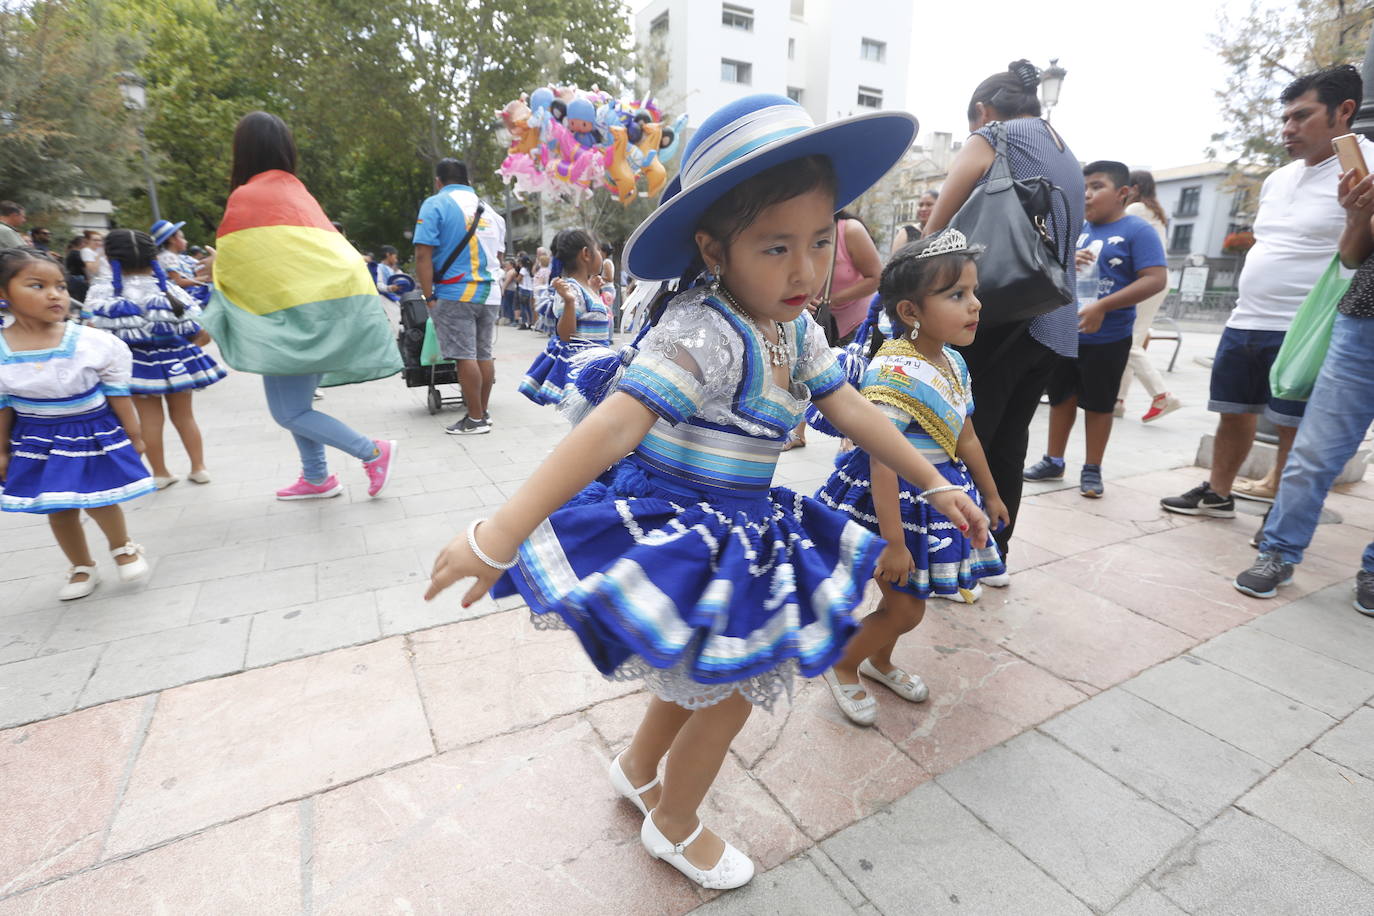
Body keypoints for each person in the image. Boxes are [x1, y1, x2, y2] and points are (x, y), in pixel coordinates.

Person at [423, 93, 986, 891]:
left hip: (744, 529)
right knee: (724, 690)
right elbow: (613, 428)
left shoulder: (797, 327)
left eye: (822, 241)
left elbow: (851, 406)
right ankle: (676, 822)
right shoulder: (705, 330)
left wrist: (931, 480)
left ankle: (639, 768)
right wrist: (499, 533)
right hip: (688, 530)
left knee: (702, 671)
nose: (806, 269)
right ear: (714, 248)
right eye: (776, 246)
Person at [816, 230, 1008, 725]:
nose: (975, 305)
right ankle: (842, 662)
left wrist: (989, 492)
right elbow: (883, 459)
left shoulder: (955, 362)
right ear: (910, 312)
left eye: (973, 292)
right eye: (957, 295)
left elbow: (965, 437)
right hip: (891, 504)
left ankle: (878, 660)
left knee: (910, 597)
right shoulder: (894, 371)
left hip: (936, 496)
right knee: (906, 608)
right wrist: (894, 542)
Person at [1161, 65, 1367, 525]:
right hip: (1246, 318)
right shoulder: (1279, 179)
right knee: (1233, 411)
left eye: (1301, 116)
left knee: (1297, 423)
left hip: (1308, 325)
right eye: (1285, 118)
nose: (1288, 128)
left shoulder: (1366, 165)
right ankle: (1218, 494)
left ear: (1345, 111)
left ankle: (1284, 512)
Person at [922, 59, 1084, 567]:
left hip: (999, 312)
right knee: (1010, 440)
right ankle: (995, 554)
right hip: (1052, 320)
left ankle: (954, 554)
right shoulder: (1067, 151)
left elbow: (936, 225)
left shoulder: (995, 134)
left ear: (981, 110)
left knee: (965, 436)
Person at [202, 111, 401, 501]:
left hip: (288, 320)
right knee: (297, 406)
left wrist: (217, 266)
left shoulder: (249, 195)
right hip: (315, 315)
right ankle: (316, 477)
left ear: (242, 150)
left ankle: (373, 452)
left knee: (289, 412)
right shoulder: (296, 191)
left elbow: (250, 263)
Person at [1231, 157, 1374, 611]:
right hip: (1362, 322)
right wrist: (1356, 215)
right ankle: (1278, 552)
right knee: (1313, 452)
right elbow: (1353, 256)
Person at [0, 248, 154, 600]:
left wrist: (134, 435)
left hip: (90, 431)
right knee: (58, 506)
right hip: (36, 438)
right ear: (3, 294)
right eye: (37, 286)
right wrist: (2, 451)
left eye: (60, 286)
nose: (54, 294)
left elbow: (118, 392)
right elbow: (3, 404)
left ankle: (123, 547)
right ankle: (82, 565)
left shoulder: (90, 342)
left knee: (99, 498)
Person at [1023, 161, 1167, 498]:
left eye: (1097, 186)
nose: (1087, 194)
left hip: (1109, 336)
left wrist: (1104, 306)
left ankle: (1092, 468)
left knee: (1100, 405)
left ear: (1123, 193)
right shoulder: (1077, 229)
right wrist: (1065, 262)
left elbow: (1155, 278)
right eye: (1084, 187)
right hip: (1067, 331)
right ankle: (1053, 459)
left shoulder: (1137, 231)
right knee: (1061, 398)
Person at [86, 228, 224, 489]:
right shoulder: (169, 288)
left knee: (149, 419)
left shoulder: (102, 290)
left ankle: (160, 473)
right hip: (176, 360)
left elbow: (92, 331)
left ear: (109, 255)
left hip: (134, 365)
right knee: (185, 416)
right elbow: (200, 331)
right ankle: (199, 468)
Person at [414, 157, 507, 435]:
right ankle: (483, 412)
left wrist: (429, 296)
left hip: (455, 293)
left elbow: (422, 254)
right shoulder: (491, 212)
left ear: (438, 182)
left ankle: (475, 419)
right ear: (468, 181)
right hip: (490, 293)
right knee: (483, 354)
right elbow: (499, 257)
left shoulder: (435, 204)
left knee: (465, 356)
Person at [517, 228, 610, 405]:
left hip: (596, 364)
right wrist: (568, 302)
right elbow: (566, 335)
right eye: (597, 249)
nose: (601, 255)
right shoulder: (570, 290)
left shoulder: (584, 287)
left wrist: (593, 290)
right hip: (584, 371)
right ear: (586, 254)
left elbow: (589, 318)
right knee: (587, 421)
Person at [1116, 169, 1181, 422]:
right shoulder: (1157, 214)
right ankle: (1118, 400)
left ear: (1133, 188)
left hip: (1141, 281)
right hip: (1157, 280)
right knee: (1135, 337)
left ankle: (1162, 395)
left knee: (1128, 342)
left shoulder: (1135, 211)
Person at [152, 218, 214, 307]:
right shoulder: (168, 257)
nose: (186, 241)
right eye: (182, 238)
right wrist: (205, 279)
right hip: (184, 296)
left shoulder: (180, 258)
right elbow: (178, 282)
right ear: (172, 240)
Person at [63, 236, 90, 303]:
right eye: (85, 243)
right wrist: (88, 278)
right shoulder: (77, 254)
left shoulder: (71, 253)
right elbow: (83, 267)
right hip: (78, 278)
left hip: (73, 278)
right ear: (81, 243)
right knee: (82, 298)